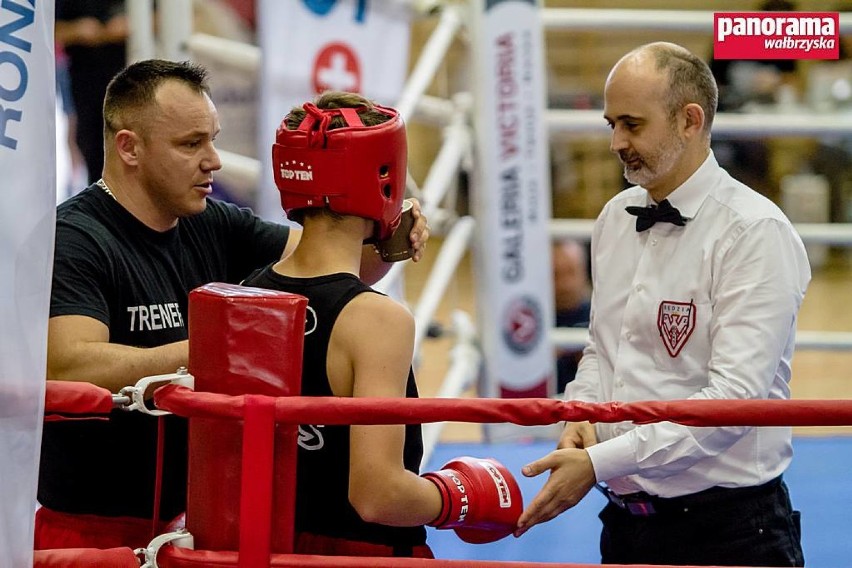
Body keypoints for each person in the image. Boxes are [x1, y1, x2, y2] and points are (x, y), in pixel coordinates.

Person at [39, 60, 431, 551]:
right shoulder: (76, 238)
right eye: (191, 144)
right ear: (129, 148)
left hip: (193, 524)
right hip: (93, 531)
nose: (214, 161)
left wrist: (382, 222)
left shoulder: (208, 221)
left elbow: (326, 268)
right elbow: (68, 364)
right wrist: (222, 349)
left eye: (213, 139)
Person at [515, 42, 809, 568]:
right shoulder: (614, 217)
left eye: (631, 124)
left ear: (689, 121)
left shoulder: (755, 233)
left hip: (732, 531)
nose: (615, 142)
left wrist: (599, 461)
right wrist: (583, 414)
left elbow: (732, 404)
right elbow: (602, 348)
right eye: (612, 124)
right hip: (626, 525)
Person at [241, 91, 523, 558]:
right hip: (359, 554)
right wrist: (457, 496)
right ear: (383, 177)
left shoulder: (249, 294)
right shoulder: (376, 321)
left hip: (269, 548)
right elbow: (377, 495)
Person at [55, 0, 130, 184]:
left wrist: (134, 24)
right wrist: (77, 30)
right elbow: (46, 29)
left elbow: (168, 16)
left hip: (130, 77)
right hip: (85, 78)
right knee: (91, 144)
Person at [551, 239, 591, 393]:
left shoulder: (602, 317)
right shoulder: (532, 326)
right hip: (546, 409)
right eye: (556, 274)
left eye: (571, 272)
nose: (565, 284)